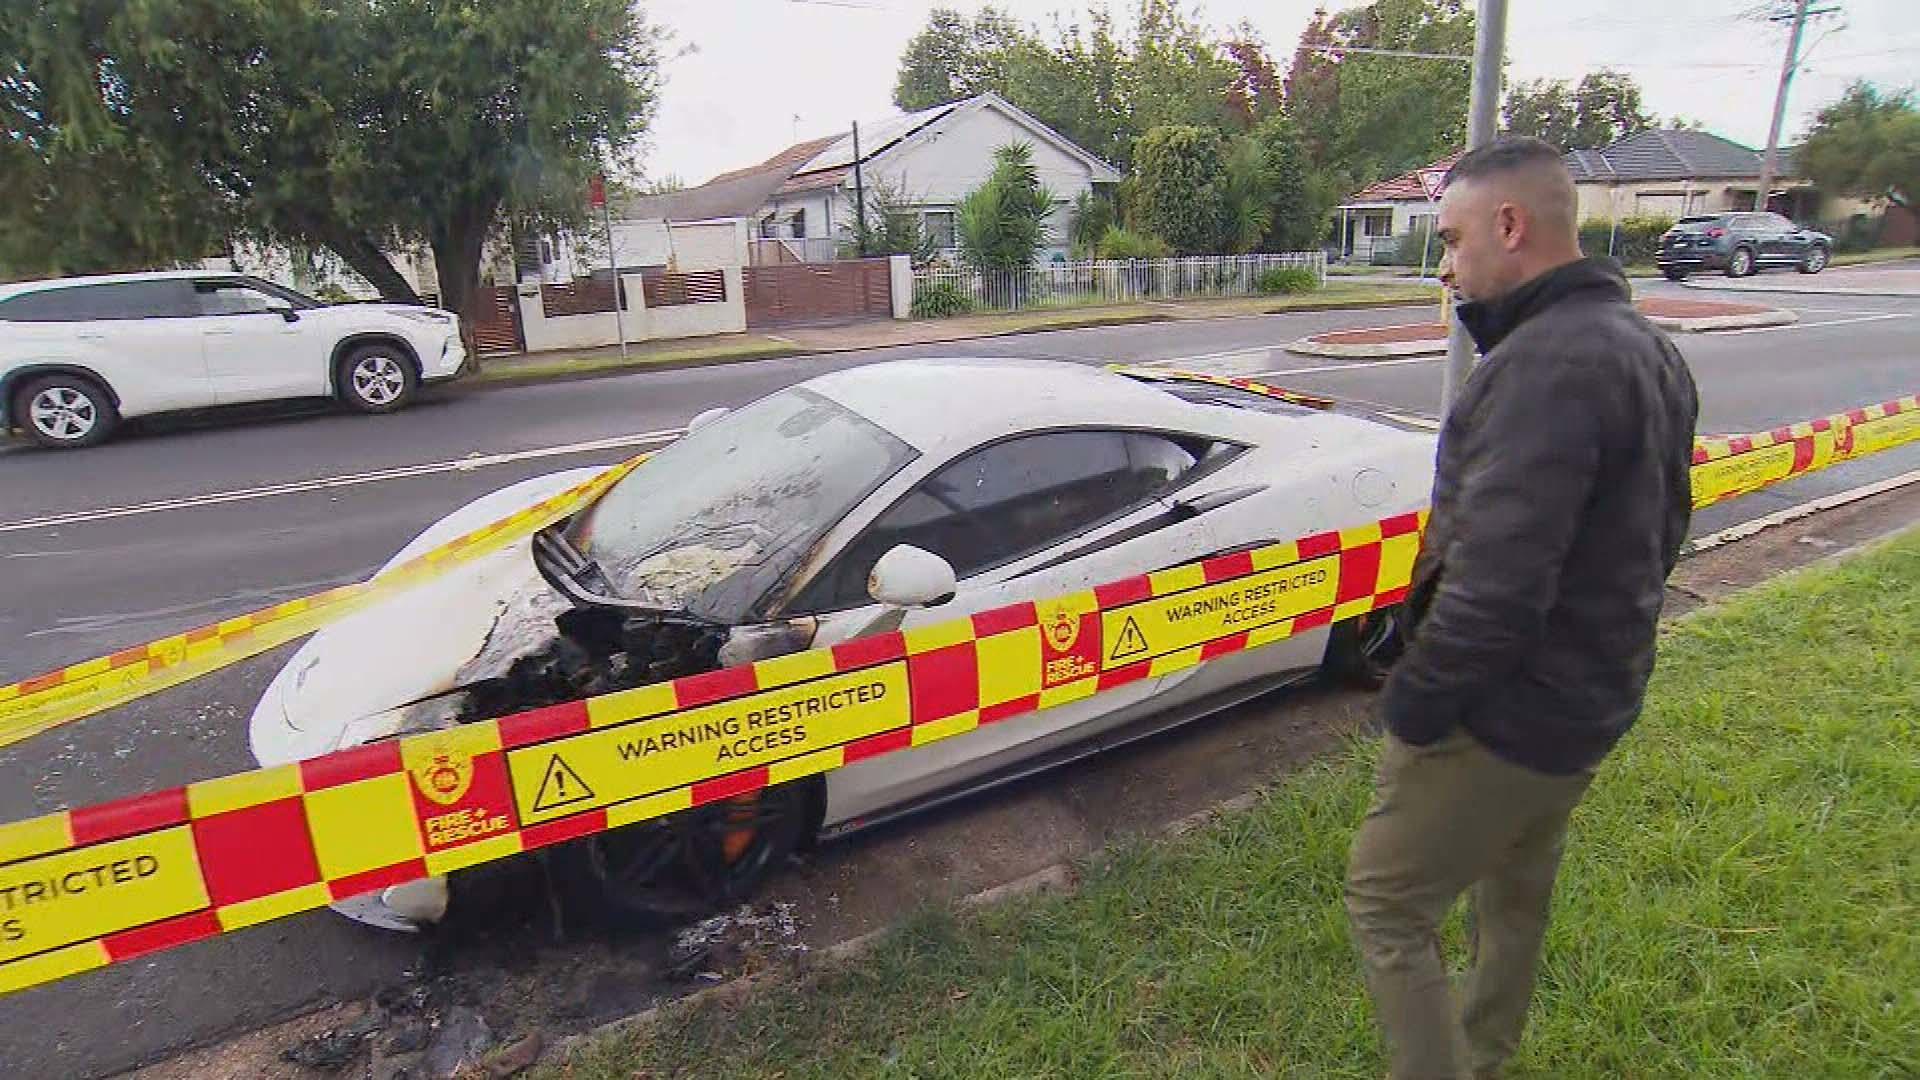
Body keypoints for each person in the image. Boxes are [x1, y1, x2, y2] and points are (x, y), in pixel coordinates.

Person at [1343, 137, 1699, 1080]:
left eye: (1454, 242)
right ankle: (1487, 1054)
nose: (1449, 270)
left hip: (1506, 714)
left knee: (1387, 900)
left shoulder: (1543, 366)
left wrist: (1413, 709)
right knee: (1516, 888)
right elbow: (1666, 530)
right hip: (1594, 699)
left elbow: (1495, 585)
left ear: (1512, 225)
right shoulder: (1647, 349)